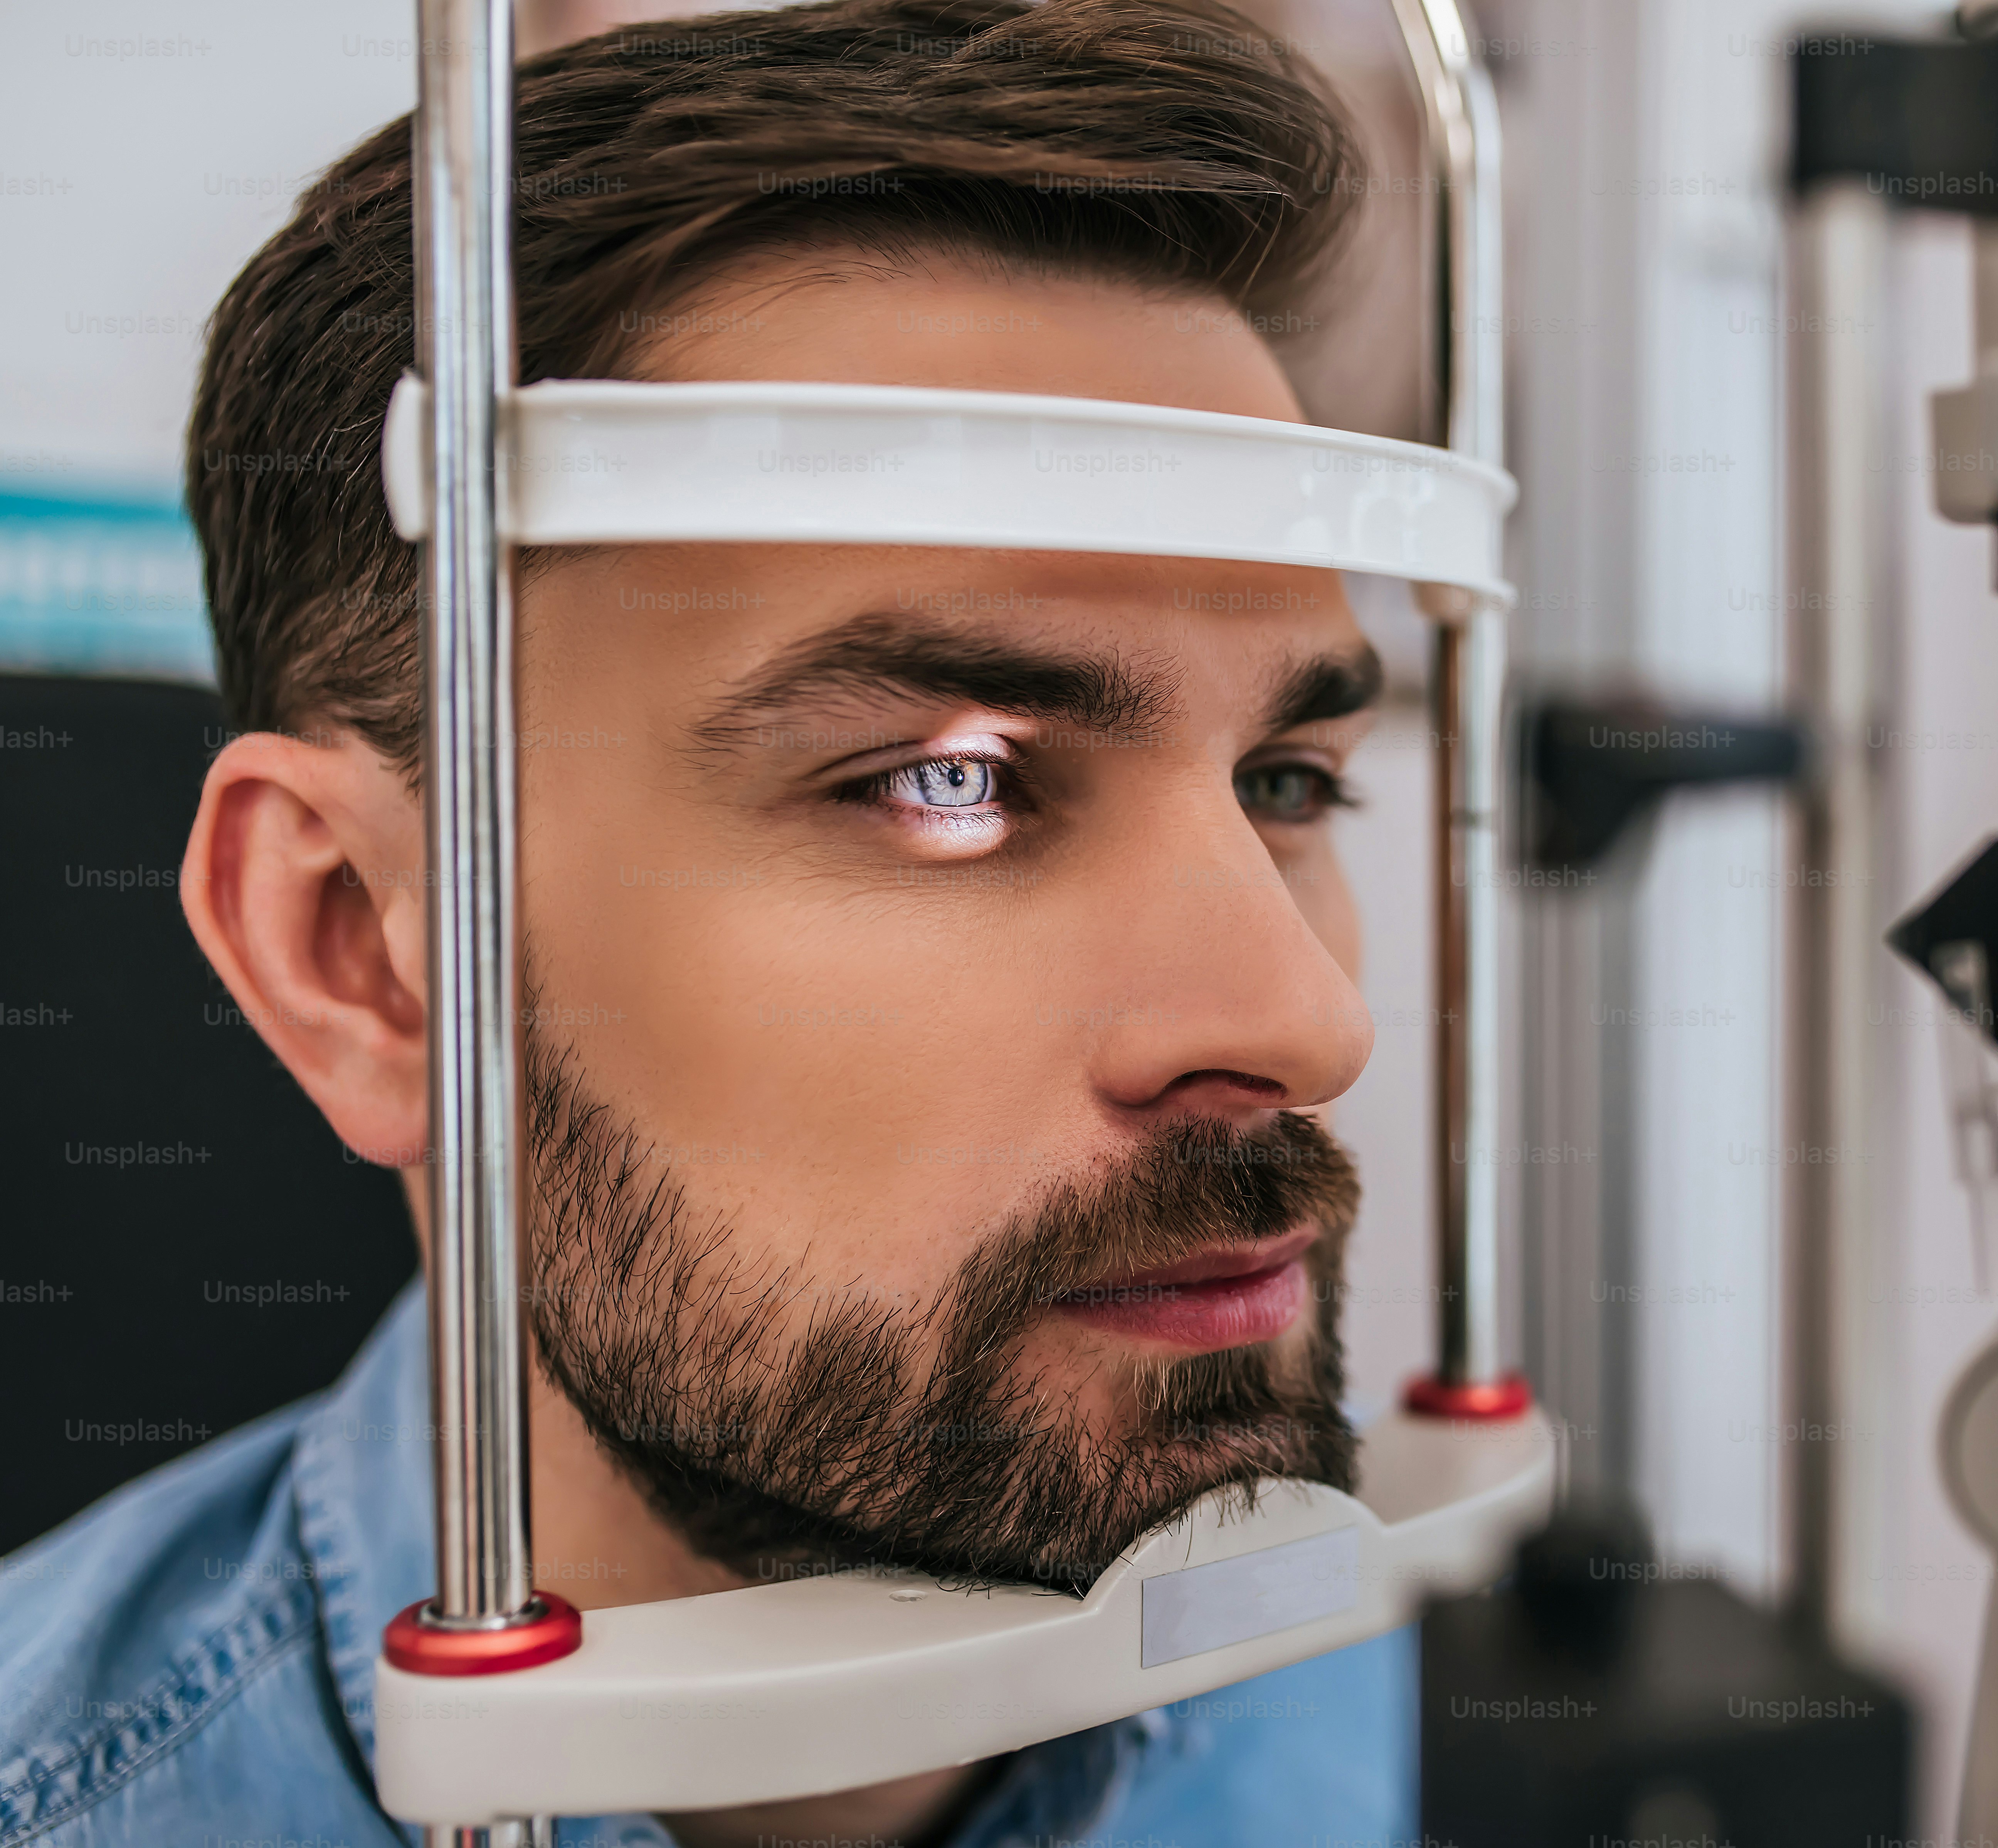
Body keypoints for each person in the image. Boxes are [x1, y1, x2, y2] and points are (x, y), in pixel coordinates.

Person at [0, 3, 1413, 1842]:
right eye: (949, 782)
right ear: (357, 948)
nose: (1301, 1019)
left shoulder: (1281, 1629)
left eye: (1286, 780)